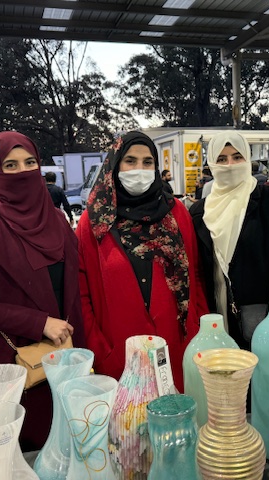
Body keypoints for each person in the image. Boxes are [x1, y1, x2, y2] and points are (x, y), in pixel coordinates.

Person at [0, 131, 84, 451]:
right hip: (13, 362)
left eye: (29, 163)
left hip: (64, 354)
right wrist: (39, 322)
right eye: (10, 165)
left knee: (68, 441)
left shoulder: (56, 220)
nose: (22, 172)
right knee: (23, 446)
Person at [76, 131, 208, 392]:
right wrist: (101, 350)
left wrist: (198, 330)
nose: (140, 169)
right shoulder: (95, 221)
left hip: (177, 346)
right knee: (128, 429)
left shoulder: (176, 213)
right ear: (114, 166)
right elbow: (82, 293)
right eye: (130, 161)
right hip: (120, 355)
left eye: (148, 162)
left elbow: (195, 274)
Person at [189, 131, 269, 350]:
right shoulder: (199, 212)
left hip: (264, 321)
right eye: (221, 159)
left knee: (264, 380)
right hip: (217, 321)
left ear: (248, 160)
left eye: (237, 157)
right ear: (211, 164)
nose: (230, 164)